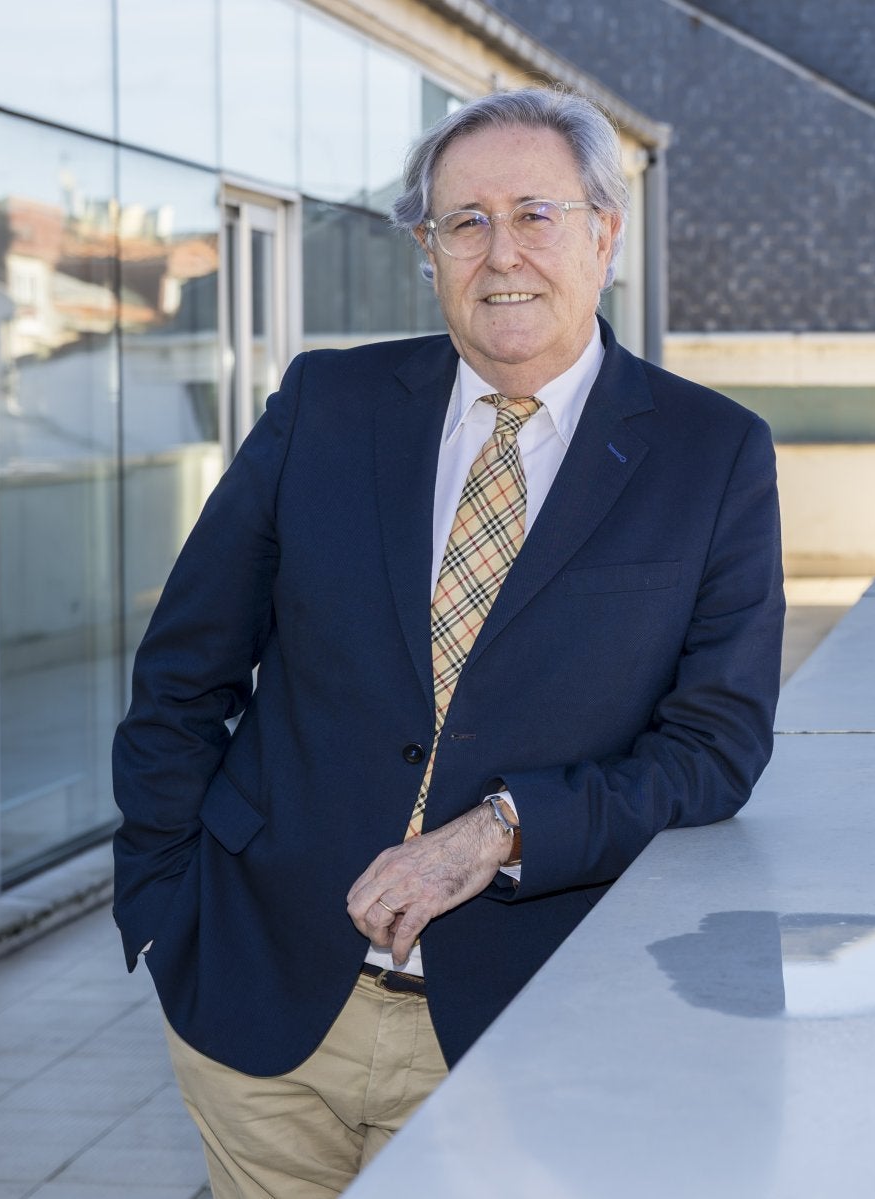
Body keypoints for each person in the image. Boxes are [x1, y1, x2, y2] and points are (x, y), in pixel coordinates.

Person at [112, 86, 784, 1198]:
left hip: (515, 1034)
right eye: (463, 220)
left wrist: (501, 829)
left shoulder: (711, 456)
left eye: (536, 213)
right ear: (427, 251)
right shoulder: (327, 403)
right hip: (260, 1001)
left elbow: (714, 747)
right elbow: (187, 665)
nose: (500, 250)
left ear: (604, 234)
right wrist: (164, 901)